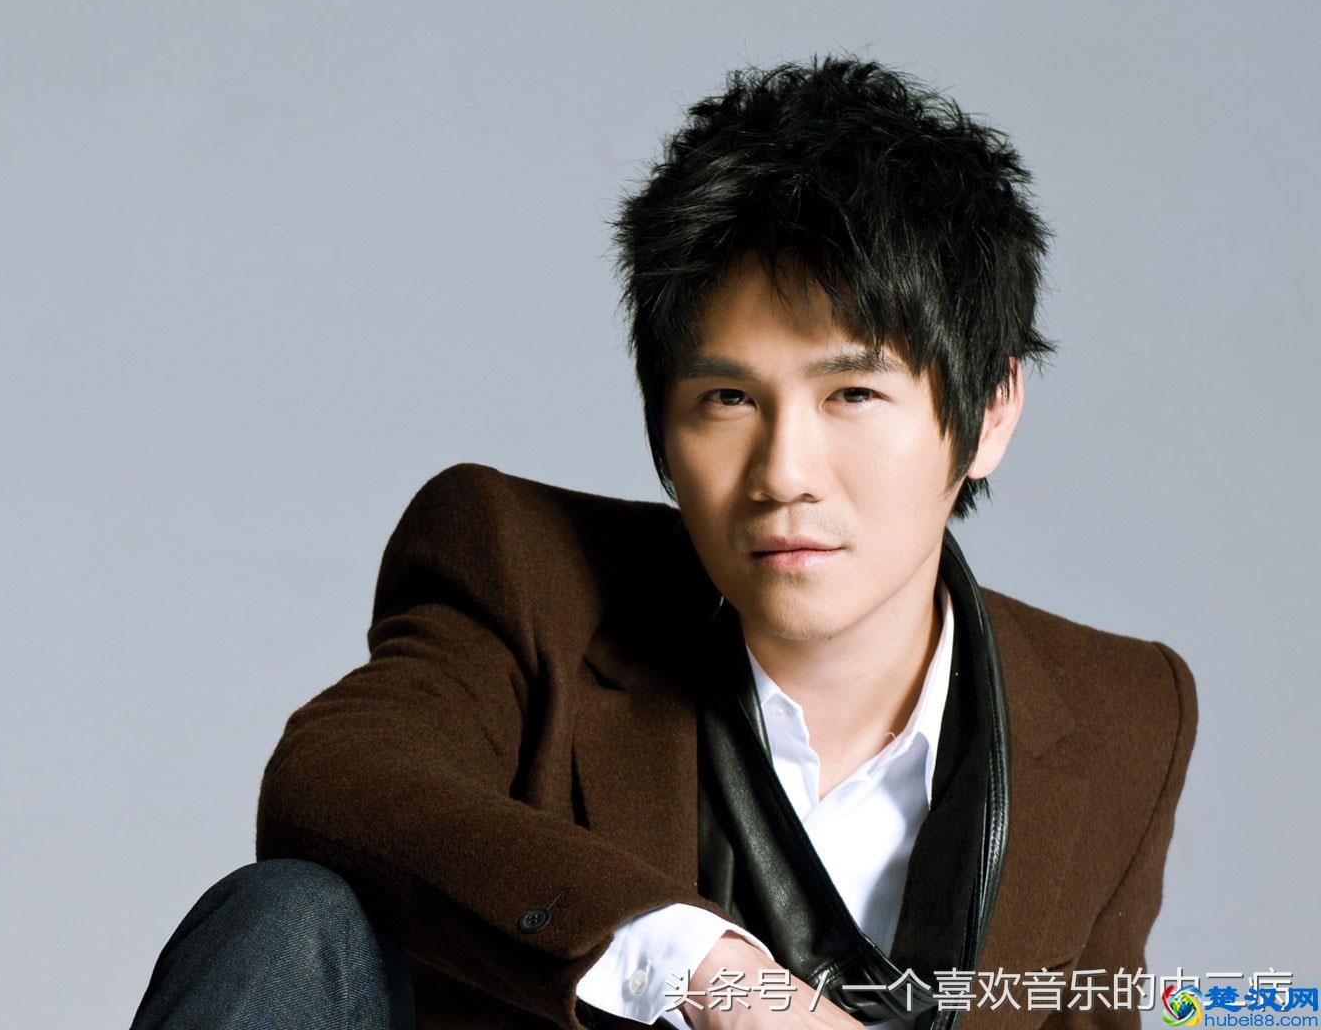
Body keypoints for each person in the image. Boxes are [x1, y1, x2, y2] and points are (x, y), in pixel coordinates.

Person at [129, 57, 1198, 1030]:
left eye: (853, 394)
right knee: (292, 918)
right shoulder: (527, 577)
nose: (784, 473)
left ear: (991, 411)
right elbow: (334, 779)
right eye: (729, 398)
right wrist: (698, 966)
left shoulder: (1123, 714)